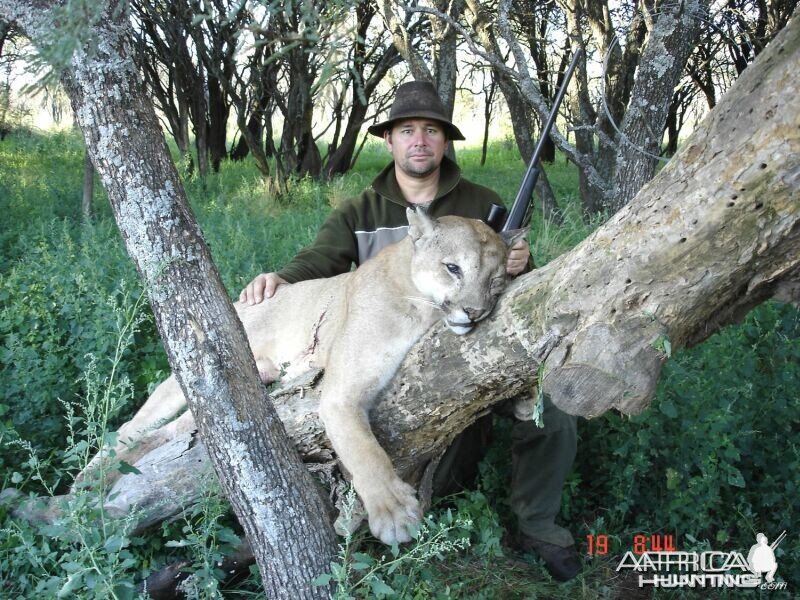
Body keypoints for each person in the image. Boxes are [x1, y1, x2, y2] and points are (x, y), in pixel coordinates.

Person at [239, 81, 581, 581]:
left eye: (431, 131)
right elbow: (322, 261)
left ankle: (539, 526)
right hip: (385, 338)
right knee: (441, 472)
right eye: (407, 131)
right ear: (391, 141)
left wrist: (524, 264)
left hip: (471, 333)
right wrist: (282, 281)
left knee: (552, 411)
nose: (419, 140)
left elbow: (506, 282)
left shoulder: (484, 202)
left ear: (445, 142)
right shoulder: (361, 210)